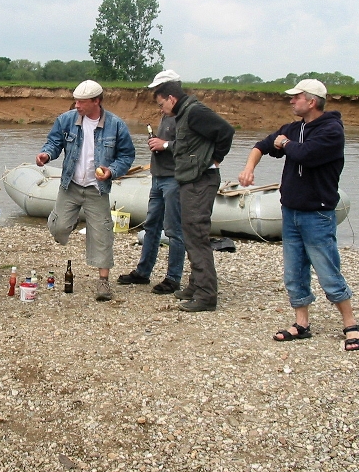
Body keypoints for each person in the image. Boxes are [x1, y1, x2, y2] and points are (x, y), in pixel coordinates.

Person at [238, 79, 359, 350]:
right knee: (294, 272)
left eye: (296, 97)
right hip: (291, 211)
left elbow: (306, 154)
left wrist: (285, 143)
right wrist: (249, 168)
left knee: (328, 270)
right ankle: (301, 323)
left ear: (312, 101)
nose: (291, 101)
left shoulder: (332, 130)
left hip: (317, 214)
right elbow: (261, 145)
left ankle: (351, 324)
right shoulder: (294, 129)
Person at [36, 80, 136, 302]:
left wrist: (111, 171)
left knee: (102, 234)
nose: (77, 105)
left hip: (96, 189)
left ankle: (103, 281)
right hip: (70, 185)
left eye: (82, 102)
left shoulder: (116, 125)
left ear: (96, 101)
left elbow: (127, 155)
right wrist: (46, 154)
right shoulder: (65, 120)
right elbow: (54, 143)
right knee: (59, 227)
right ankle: (67, 221)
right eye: (76, 101)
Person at [156, 71, 234, 312]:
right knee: (190, 233)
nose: (161, 109)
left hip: (201, 181)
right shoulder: (184, 113)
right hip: (190, 180)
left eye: (161, 104)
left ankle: (206, 295)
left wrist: (215, 159)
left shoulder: (195, 112)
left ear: (171, 98)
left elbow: (226, 132)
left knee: (197, 235)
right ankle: (195, 284)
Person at [117, 71, 185, 295]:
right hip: (158, 176)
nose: (157, 99)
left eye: (159, 93)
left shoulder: (185, 115)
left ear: (170, 93)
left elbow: (188, 146)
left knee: (174, 230)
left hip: (174, 178)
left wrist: (164, 145)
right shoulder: (167, 113)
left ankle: (173, 278)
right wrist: (159, 143)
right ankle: (143, 271)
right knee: (151, 226)